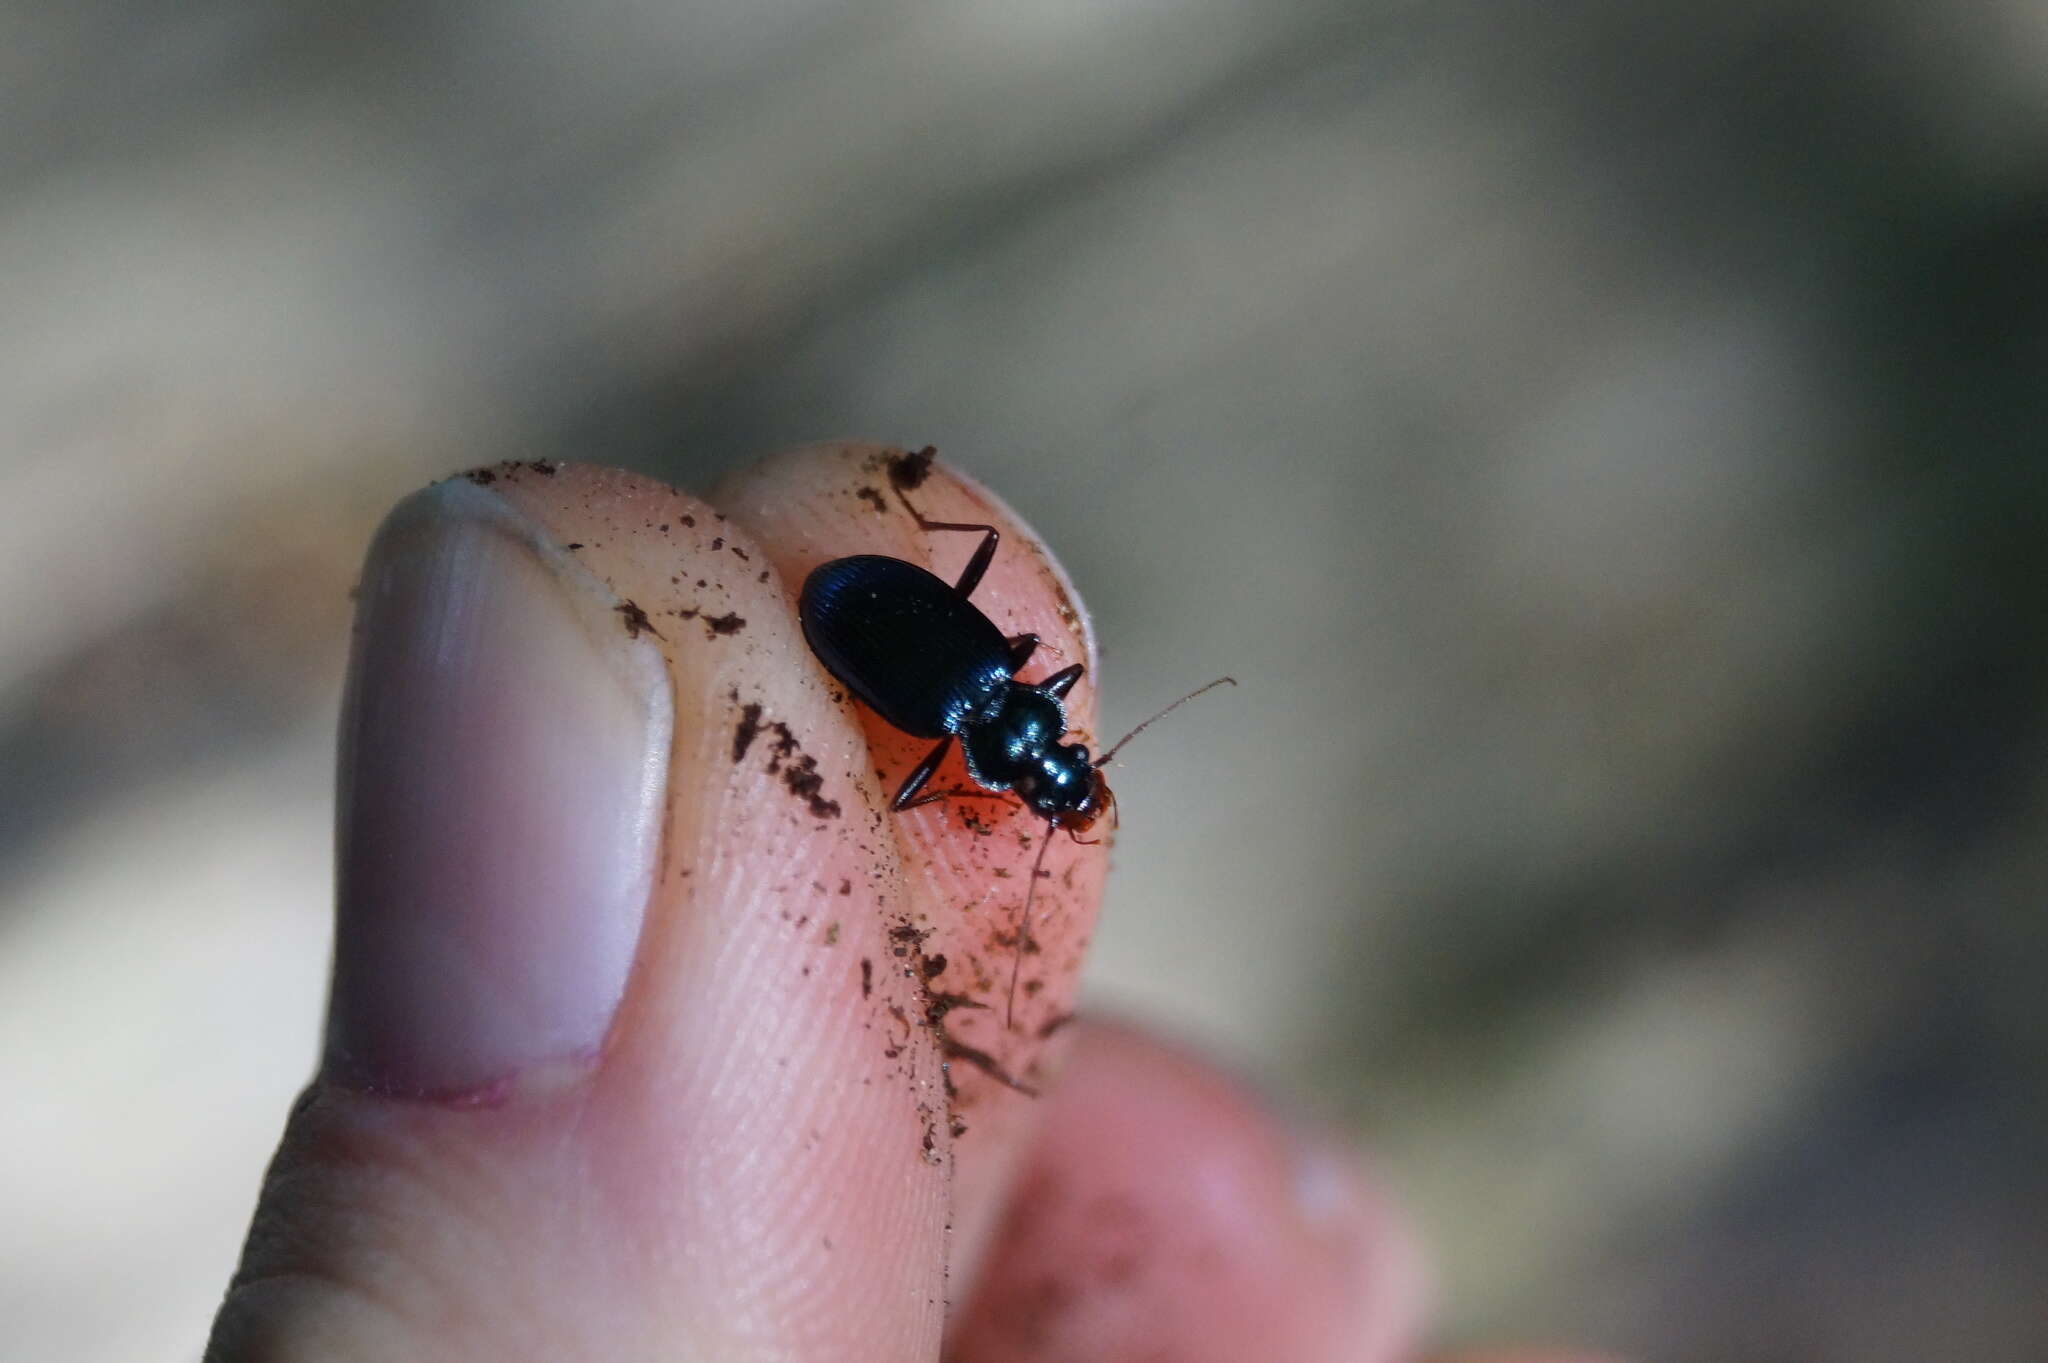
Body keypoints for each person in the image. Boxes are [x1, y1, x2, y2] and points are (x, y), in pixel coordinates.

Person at [205, 446, 1613, 1363]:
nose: (1067, 764)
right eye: (1068, 763)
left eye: (1058, 772)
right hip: (859, 617)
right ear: (1041, 741)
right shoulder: (981, 732)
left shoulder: (991, 708)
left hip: (873, 620)